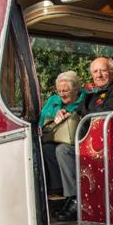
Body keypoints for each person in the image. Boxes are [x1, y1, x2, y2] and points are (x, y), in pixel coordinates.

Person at [54, 57, 113, 222]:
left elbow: (108, 113)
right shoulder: (90, 95)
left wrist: (86, 114)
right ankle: (74, 196)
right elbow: (78, 112)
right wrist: (64, 113)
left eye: (103, 70)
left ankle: (77, 201)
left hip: (107, 145)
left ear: (111, 71)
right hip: (86, 143)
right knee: (61, 150)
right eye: (95, 71)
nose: (99, 75)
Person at [41, 71, 84, 201]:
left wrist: (70, 113)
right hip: (52, 136)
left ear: (76, 88)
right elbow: (42, 118)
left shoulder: (85, 99)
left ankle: (71, 196)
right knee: (46, 148)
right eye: (59, 91)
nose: (61, 94)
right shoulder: (53, 100)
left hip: (76, 139)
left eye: (65, 90)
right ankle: (56, 189)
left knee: (61, 150)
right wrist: (56, 113)